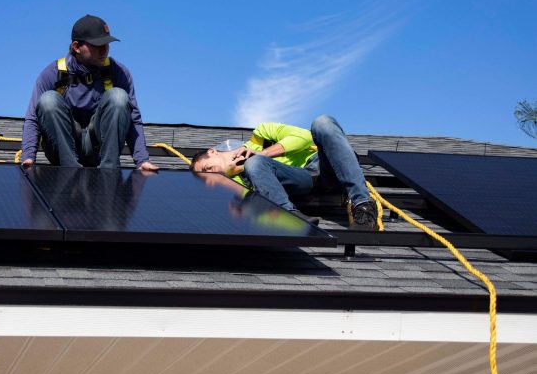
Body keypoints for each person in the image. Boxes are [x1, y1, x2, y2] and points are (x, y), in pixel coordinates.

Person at [190, 115, 379, 230]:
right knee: (255, 164)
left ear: (212, 151)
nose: (210, 174)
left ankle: (363, 206)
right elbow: (250, 206)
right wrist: (238, 169)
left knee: (323, 122)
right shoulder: (234, 184)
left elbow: (305, 137)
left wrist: (262, 153)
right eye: (206, 176)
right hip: (303, 181)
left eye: (207, 168)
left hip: (326, 165)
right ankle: (290, 216)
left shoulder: (262, 134)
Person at [21, 14, 160, 171]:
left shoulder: (118, 72)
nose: (104, 49)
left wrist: (142, 160)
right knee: (48, 101)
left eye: (107, 44)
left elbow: (133, 118)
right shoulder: (53, 73)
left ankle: (108, 173)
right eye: (97, 45)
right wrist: (28, 156)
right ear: (76, 47)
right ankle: (69, 171)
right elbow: (33, 118)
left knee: (119, 97)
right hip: (63, 150)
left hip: (97, 150)